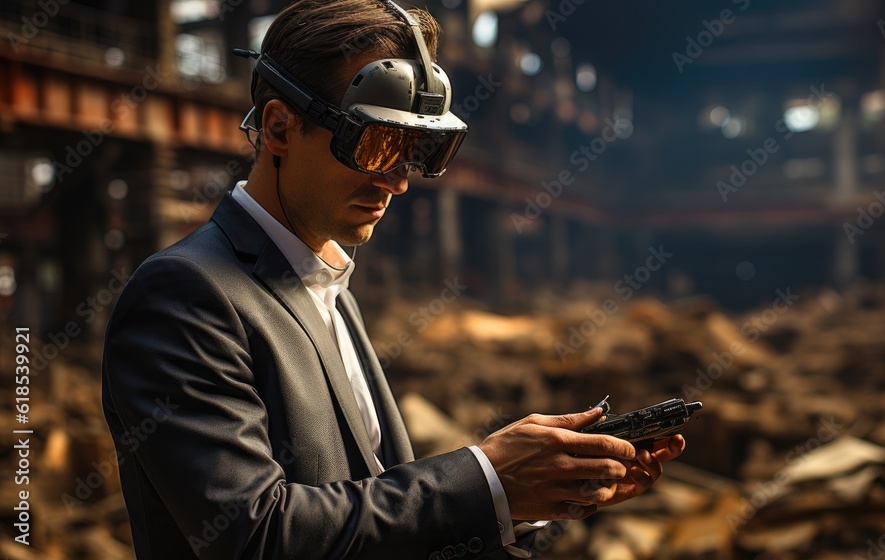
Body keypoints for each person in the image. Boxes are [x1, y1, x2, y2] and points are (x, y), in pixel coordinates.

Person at [101, 1, 686, 559]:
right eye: (376, 143)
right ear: (279, 128)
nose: (398, 182)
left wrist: (529, 499)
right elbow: (255, 539)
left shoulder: (327, 289)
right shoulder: (185, 296)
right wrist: (486, 479)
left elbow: (376, 517)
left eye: (413, 151)